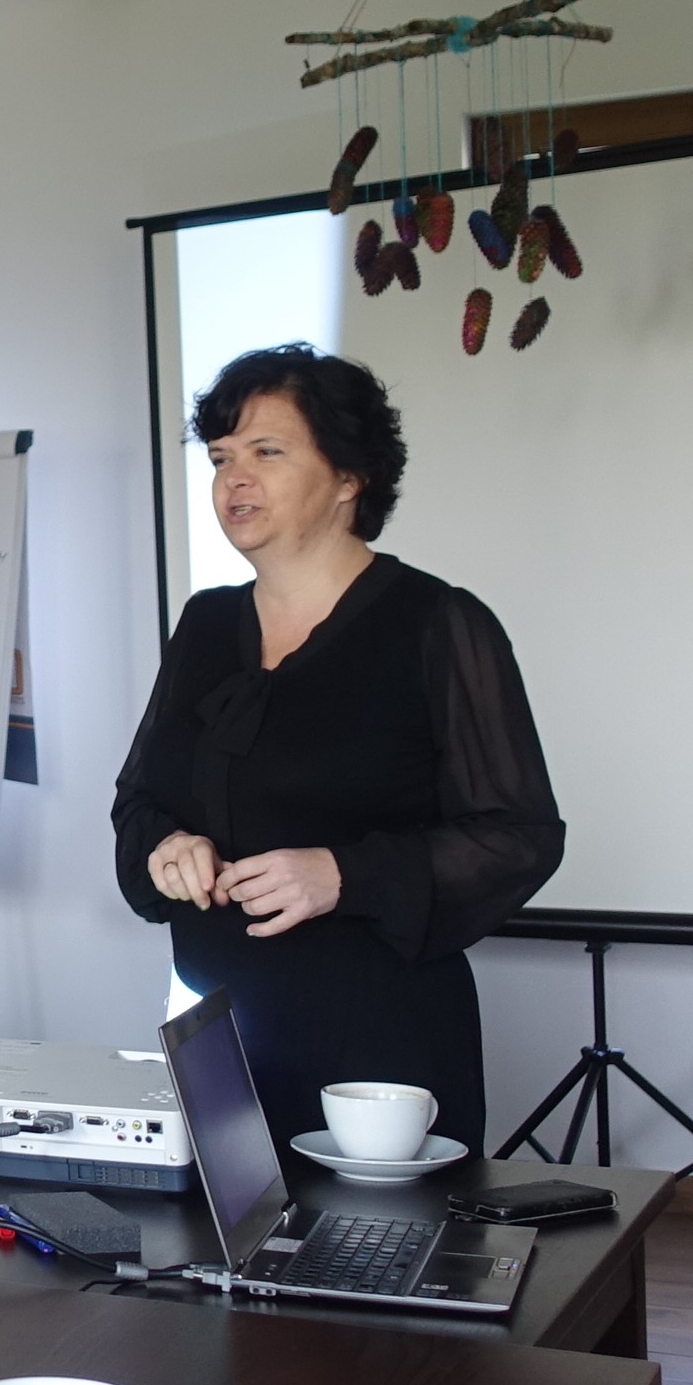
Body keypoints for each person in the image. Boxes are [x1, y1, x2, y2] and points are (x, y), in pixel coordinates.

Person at [114, 344, 562, 1150]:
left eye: (266, 452)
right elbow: (138, 801)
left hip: (378, 1047)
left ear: (349, 477)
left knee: (375, 1234)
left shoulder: (436, 623)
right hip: (219, 1039)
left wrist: (341, 874)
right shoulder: (204, 625)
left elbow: (517, 836)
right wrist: (165, 847)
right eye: (219, 458)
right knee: (216, 1236)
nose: (232, 480)